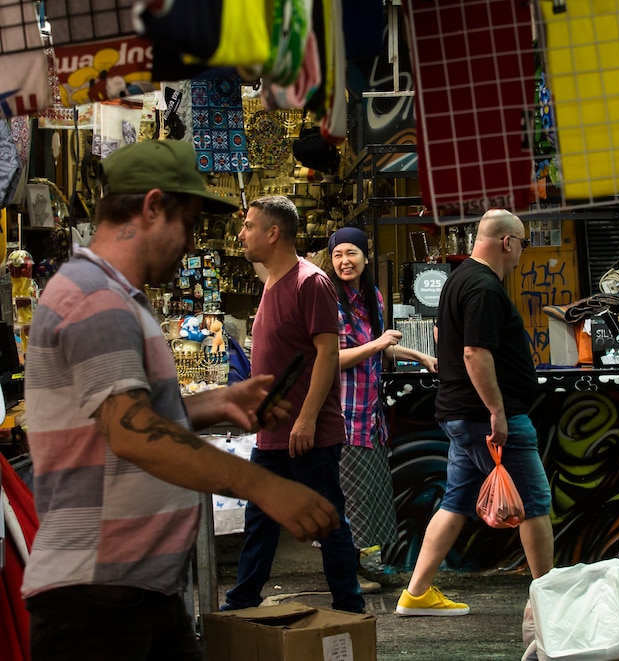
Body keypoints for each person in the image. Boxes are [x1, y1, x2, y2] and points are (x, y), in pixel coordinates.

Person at [21, 140, 339, 661]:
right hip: (96, 600)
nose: (191, 242)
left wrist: (216, 403)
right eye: (187, 224)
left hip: (134, 592)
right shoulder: (94, 297)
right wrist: (265, 486)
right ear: (150, 208)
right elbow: (130, 432)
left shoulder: (115, 297)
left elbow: (116, 423)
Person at [395, 209, 554, 617]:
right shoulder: (483, 286)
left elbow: (443, 335)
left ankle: (416, 593)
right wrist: (497, 410)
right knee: (534, 504)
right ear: (507, 242)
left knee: (456, 501)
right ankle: (550, 604)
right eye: (521, 243)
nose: (521, 253)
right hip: (486, 418)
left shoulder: (459, 279)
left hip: (461, 415)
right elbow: (474, 351)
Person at [222, 195, 364, 614]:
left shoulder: (310, 281)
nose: (242, 233)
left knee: (325, 521)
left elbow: (328, 354)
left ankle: (351, 610)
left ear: (273, 232)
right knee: (260, 521)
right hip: (273, 432)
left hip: (306, 434)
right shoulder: (270, 280)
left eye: (249, 225)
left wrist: (305, 419)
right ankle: (241, 601)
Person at [314, 228, 438, 590]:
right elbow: (332, 358)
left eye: (351, 253)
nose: (344, 261)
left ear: (366, 257)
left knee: (367, 495)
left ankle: (359, 566)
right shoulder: (328, 299)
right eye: (338, 255)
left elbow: (382, 346)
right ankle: (344, 575)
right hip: (341, 415)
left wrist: (420, 356)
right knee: (347, 497)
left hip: (369, 413)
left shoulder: (372, 297)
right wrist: (377, 344)